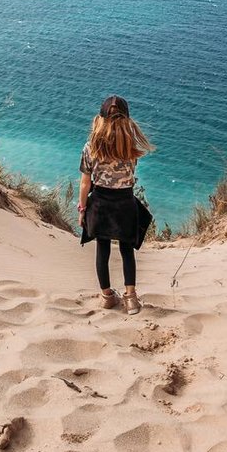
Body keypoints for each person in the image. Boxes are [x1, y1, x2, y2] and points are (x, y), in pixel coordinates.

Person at [78, 95, 154, 314]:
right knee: (126, 250)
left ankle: (107, 297)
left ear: (100, 118)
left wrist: (82, 209)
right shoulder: (131, 146)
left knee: (102, 250)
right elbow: (129, 173)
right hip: (125, 203)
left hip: (100, 203)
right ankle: (131, 299)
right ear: (126, 119)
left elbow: (85, 183)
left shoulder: (90, 147)